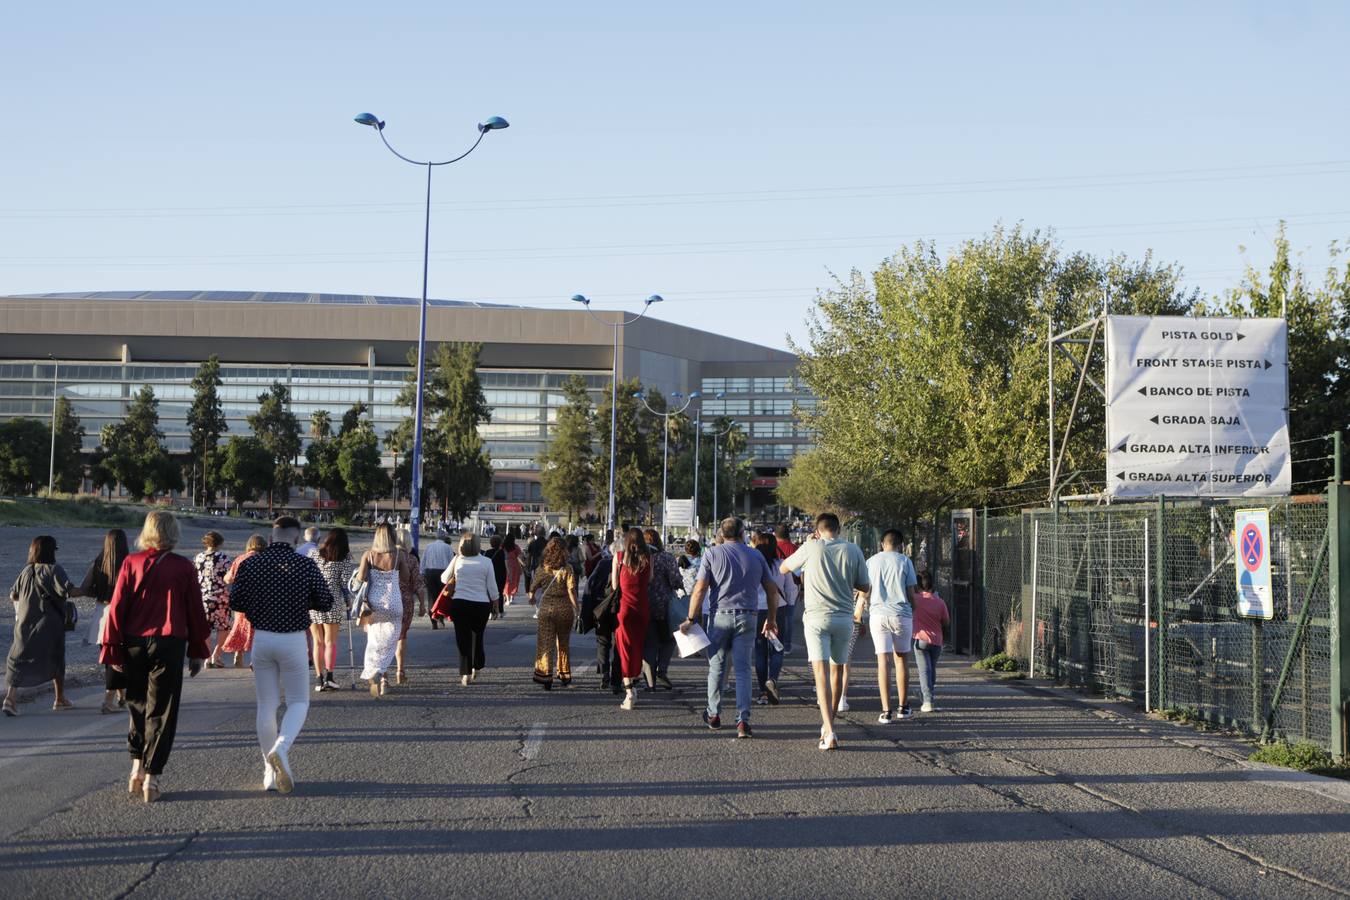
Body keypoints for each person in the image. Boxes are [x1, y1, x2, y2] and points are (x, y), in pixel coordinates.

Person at [100, 512, 210, 802]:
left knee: (136, 703)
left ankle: (136, 768)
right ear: (173, 532)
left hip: (134, 641)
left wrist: (111, 646)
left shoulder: (131, 562)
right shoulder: (183, 567)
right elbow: (194, 611)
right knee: (163, 709)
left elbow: (117, 607)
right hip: (169, 642)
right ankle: (152, 777)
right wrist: (197, 650)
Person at [230, 516, 335, 794]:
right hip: (292, 640)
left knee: (267, 705)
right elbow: (326, 601)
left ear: (272, 536)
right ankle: (282, 748)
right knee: (299, 701)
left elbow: (236, 601)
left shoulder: (252, 563)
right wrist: (304, 599)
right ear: (297, 538)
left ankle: (269, 772)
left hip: (262, 638)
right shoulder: (306, 564)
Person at [680, 518, 781, 739]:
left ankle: (714, 714)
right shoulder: (756, 555)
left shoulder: (712, 554)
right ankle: (743, 720)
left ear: (721, 534)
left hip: (719, 617)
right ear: (743, 533)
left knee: (716, 667)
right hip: (748, 615)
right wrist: (771, 618)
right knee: (744, 669)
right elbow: (772, 590)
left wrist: (691, 618)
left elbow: (699, 589)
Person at [780, 513, 870, 751]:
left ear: (817, 530)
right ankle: (831, 724)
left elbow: (783, 568)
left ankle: (828, 729)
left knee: (819, 672)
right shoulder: (853, 550)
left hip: (816, 618)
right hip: (843, 617)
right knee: (837, 670)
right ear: (839, 529)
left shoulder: (811, 546)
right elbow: (864, 586)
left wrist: (809, 546)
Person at [4, 536, 77, 717]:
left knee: (19, 659)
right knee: (56, 658)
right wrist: (91, 590)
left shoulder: (26, 570)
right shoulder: (54, 570)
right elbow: (69, 591)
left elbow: (13, 595)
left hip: (24, 624)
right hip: (49, 625)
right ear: (51, 551)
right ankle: (59, 699)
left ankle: (10, 698)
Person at [864, 529, 919, 723]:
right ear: (901, 544)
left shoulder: (871, 561)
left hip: (878, 614)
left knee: (882, 662)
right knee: (902, 660)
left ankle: (886, 710)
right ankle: (903, 707)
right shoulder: (905, 561)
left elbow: (865, 590)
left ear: (882, 543)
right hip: (901, 614)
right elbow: (911, 592)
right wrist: (915, 609)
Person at [78, 529, 130, 714]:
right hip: (123, 615)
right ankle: (108, 701)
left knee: (111, 658)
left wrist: (100, 592)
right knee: (118, 658)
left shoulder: (99, 562)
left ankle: (121, 696)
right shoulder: (129, 563)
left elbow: (85, 588)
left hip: (102, 614)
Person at [352, 524, 405, 698]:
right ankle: (382, 675)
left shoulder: (369, 555)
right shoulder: (398, 555)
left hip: (374, 603)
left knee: (374, 641)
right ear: (392, 536)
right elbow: (405, 578)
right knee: (390, 642)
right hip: (394, 602)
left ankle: (377, 674)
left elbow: (360, 578)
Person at [440, 532, 499, 686]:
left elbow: (444, 578)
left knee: (463, 639)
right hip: (481, 605)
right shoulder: (486, 562)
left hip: (460, 603)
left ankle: (465, 673)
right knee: (478, 637)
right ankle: (477, 666)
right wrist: (496, 605)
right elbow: (492, 587)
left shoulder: (458, 560)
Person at [609, 529, 652, 710]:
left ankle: (629, 692)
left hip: (624, 608)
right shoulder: (648, 558)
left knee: (623, 649)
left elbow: (614, 585)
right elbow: (651, 579)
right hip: (642, 607)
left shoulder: (619, 558)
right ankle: (635, 679)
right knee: (637, 647)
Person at [308, 528, 354, 692]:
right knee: (330, 642)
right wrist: (349, 600)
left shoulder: (315, 554)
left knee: (317, 643)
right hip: (332, 602)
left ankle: (319, 680)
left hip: (313, 602)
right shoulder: (345, 557)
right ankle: (329, 677)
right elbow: (344, 583)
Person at [531, 536, 579, 689]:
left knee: (545, 643)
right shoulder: (567, 568)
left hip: (546, 609)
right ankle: (565, 675)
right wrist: (576, 608)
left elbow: (532, 589)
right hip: (564, 608)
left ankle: (545, 676)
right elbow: (571, 591)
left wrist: (532, 598)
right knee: (563, 643)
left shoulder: (542, 568)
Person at [752, 531, 793, 706]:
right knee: (777, 648)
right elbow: (790, 588)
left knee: (760, 651)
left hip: (756, 610)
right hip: (778, 609)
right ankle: (773, 680)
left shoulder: (753, 565)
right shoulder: (781, 564)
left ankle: (762, 691)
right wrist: (789, 604)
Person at [640, 529, 682, 691]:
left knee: (649, 644)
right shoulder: (667, 558)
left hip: (644, 605)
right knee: (668, 639)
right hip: (665, 606)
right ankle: (662, 670)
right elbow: (676, 580)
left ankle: (650, 681)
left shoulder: (640, 558)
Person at [221, 534, 265, 666]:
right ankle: (254, 659)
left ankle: (238, 654)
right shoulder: (265, 559)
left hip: (241, 599)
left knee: (240, 627)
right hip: (259, 599)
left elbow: (227, 579)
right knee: (258, 629)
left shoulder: (240, 558)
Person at [911, 571, 950, 712]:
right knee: (931, 669)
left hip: (920, 639)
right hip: (937, 641)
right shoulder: (940, 602)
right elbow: (946, 622)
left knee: (924, 671)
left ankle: (927, 700)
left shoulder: (914, 599)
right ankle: (926, 694)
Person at [393, 529, 427, 684]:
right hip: (406, 602)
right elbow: (418, 584)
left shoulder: (388, 557)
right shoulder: (412, 559)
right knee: (401, 636)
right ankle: (400, 671)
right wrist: (422, 605)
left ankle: (384, 676)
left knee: (386, 638)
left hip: (387, 601)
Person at [193, 531, 232, 667]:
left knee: (206, 629)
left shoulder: (198, 557)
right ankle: (217, 655)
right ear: (219, 543)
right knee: (223, 627)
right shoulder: (223, 558)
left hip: (203, 597)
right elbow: (230, 576)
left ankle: (208, 657)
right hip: (220, 597)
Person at [420, 531, 456, 631]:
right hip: (443, 573)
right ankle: (440, 617)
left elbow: (423, 560)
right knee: (442, 597)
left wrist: (422, 573)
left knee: (431, 597)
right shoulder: (448, 547)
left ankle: (433, 621)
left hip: (430, 572)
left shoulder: (429, 546)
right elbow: (451, 562)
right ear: (444, 538)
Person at [483, 535, 508, 619]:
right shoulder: (503, 552)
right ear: (500, 543)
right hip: (501, 575)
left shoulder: (487, 552)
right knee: (500, 593)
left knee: (489, 593)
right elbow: (506, 564)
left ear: (491, 543)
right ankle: (500, 611)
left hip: (490, 574)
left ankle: (490, 612)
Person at [503, 534, 523, 607]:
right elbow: (520, 557)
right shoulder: (516, 547)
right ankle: (511, 597)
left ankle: (507, 599)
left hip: (505, 565)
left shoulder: (502, 546)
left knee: (506, 582)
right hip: (514, 566)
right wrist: (523, 565)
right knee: (514, 582)